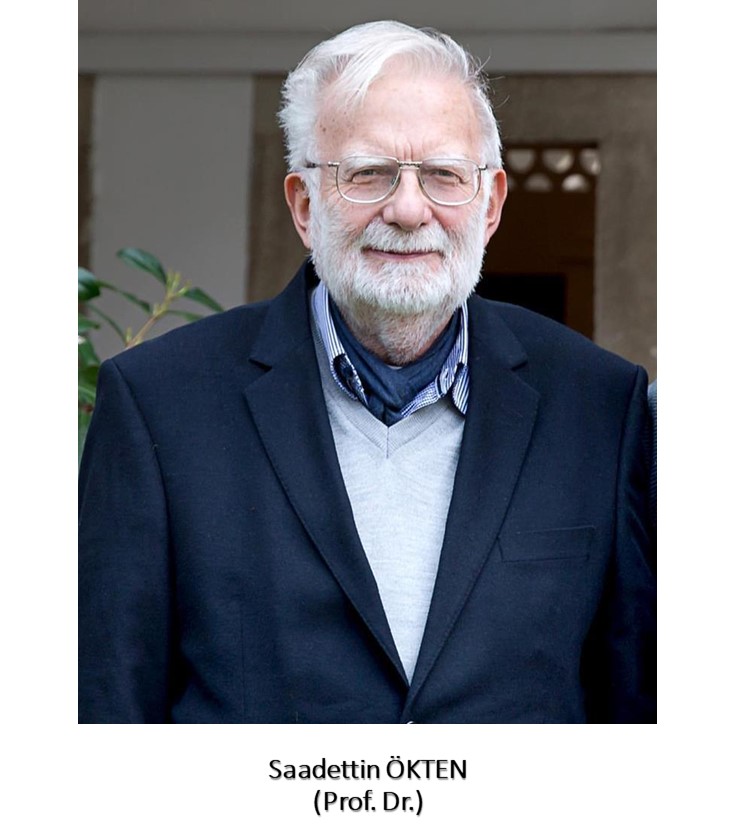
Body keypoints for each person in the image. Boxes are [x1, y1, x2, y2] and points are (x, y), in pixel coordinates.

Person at [78, 21, 655, 723]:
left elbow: (635, 712)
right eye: (367, 173)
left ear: (491, 204)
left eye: (444, 175)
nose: (408, 210)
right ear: (303, 205)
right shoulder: (158, 405)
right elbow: (107, 709)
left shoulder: (599, 406)